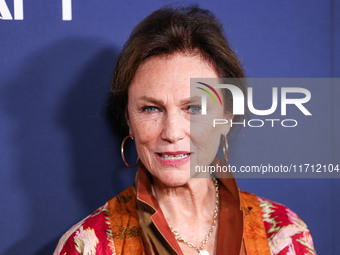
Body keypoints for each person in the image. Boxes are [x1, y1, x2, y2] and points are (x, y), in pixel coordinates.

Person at [54, 6, 316, 255]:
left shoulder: (283, 234)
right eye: (151, 109)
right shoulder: (88, 244)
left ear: (226, 116)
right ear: (128, 119)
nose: (172, 132)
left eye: (194, 108)